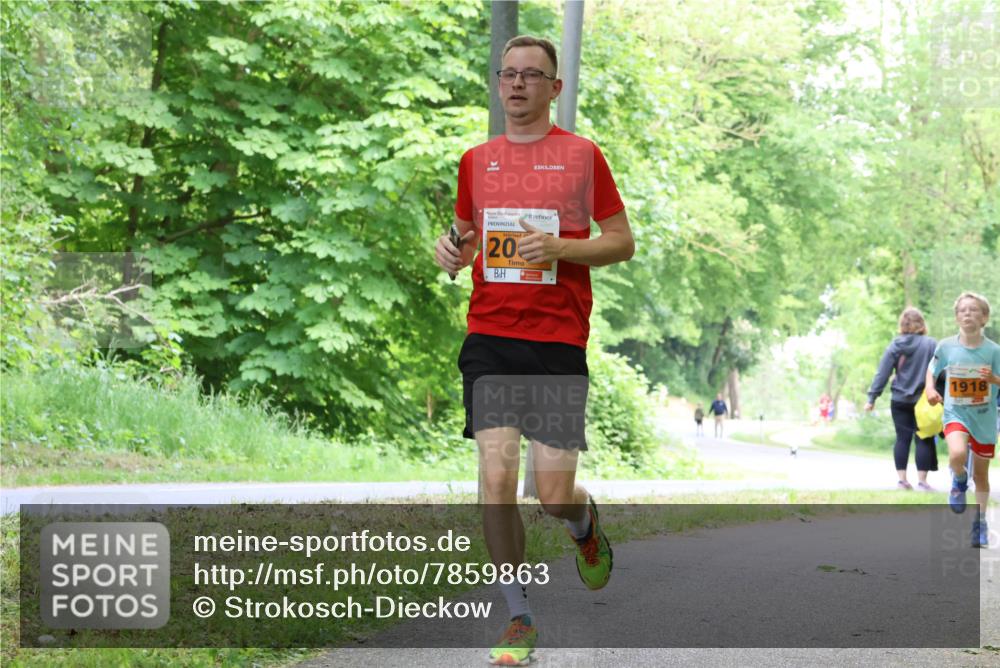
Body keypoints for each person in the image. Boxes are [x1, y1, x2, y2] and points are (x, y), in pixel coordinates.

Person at [433, 35, 634, 665]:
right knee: (495, 480)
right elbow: (468, 240)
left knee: (551, 494)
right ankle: (518, 616)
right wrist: (450, 252)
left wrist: (562, 250)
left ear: (555, 88)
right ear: (499, 84)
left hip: (556, 340)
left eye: (532, 75)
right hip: (490, 336)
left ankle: (583, 525)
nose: (518, 84)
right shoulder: (476, 160)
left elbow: (622, 241)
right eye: (509, 74)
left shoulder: (582, 158)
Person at [925, 292, 1000, 548]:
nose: (968, 313)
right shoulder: (946, 346)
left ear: (985, 317)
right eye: (963, 310)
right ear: (957, 317)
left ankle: (980, 524)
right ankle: (958, 478)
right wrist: (930, 389)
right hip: (956, 412)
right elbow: (932, 369)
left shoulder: (993, 350)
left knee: (981, 476)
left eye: (974, 310)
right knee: (956, 454)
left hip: (985, 418)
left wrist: (993, 380)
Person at [864, 307, 939, 491]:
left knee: (902, 439)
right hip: (924, 400)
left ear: (902, 325)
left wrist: (872, 397)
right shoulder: (931, 344)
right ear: (922, 324)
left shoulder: (896, 345)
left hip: (899, 399)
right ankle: (922, 482)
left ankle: (902, 481)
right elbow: (940, 371)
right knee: (924, 438)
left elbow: (883, 372)